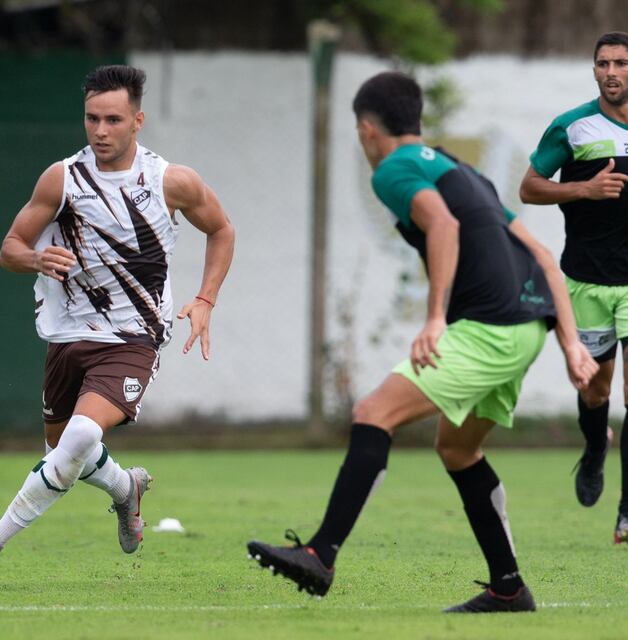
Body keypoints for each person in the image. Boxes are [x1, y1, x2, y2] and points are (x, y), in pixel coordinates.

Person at [247, 71, 598, 613]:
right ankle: (508, 588)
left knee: (373, 413)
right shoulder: (463, 171)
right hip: (527, 327)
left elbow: (443, 228)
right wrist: (570, 344)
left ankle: (320, 554)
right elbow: (542, 256)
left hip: (489, 329)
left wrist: (434, 318)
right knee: (457, 448)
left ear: (367, 130)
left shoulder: (392, 168)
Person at [0, 65, 235, 583]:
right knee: (66, 450)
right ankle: (125, 489)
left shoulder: (170, 181)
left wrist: (205, 298)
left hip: (134, 338)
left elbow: (221, 230)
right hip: (67, 337)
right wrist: (37, 261)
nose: (101, 130)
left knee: (81, 436)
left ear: (137, 121)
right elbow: (9, 249)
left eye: (113, 119)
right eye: (92, 119)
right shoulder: (62, 178)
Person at [518, 31, 628, 543]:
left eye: (622, 63)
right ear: (594, 71)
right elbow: (529, 187)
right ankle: (592, 450)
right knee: (596, 389)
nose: (612, 72)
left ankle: (627, 509)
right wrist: (584, 188)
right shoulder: (572, 126)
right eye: (603, 63)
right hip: (586, 278)